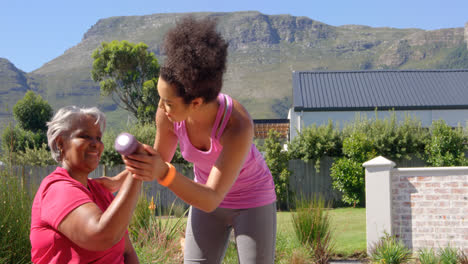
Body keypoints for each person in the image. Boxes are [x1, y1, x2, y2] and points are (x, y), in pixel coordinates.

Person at [122, 17, 277, 264]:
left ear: (195, 103)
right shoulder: (168, 114)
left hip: (251, 201)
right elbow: (159, 160)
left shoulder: (237, 125)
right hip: (204, 201)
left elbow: (211, 196)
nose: (161, 107)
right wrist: (130, 170)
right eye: (160, 99)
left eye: (169, 102)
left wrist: (164, 173)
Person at [30, 106, 140, 264]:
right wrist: (137, 173)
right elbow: (102, 236)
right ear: (60, 143)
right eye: (85, 136)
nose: (96, 144)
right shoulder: (58, 189)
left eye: (98, 138)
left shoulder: (100, 191)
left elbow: (127, 251)